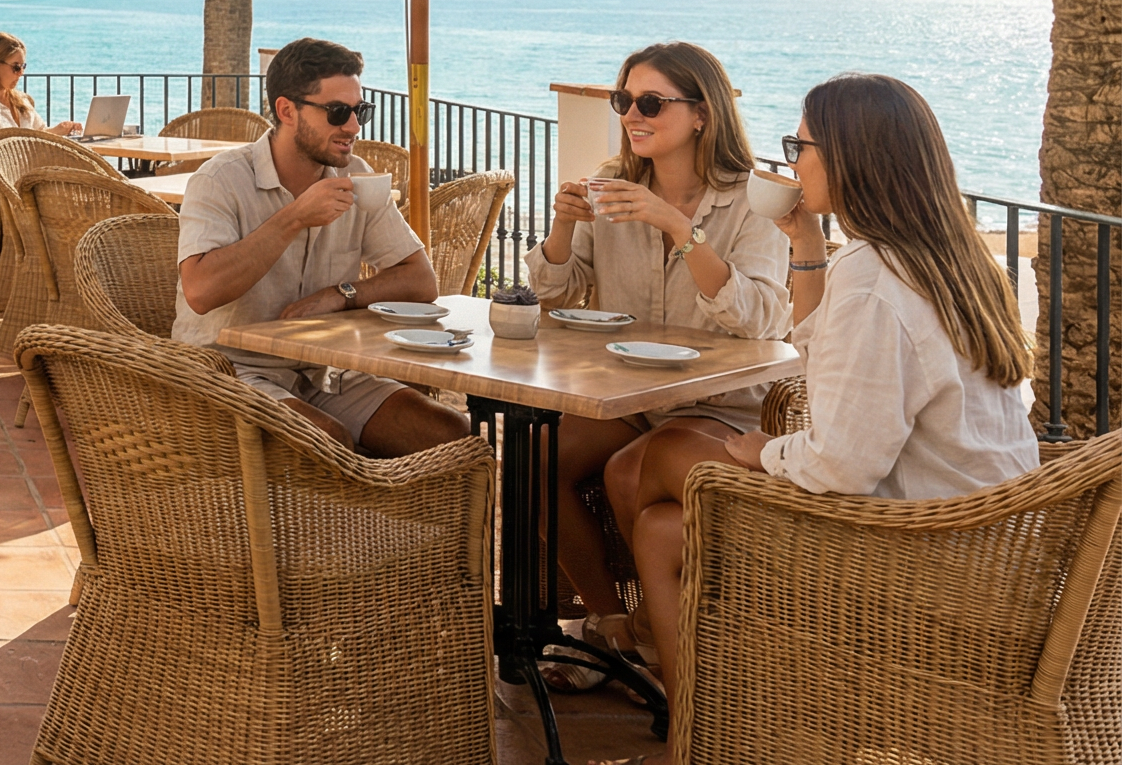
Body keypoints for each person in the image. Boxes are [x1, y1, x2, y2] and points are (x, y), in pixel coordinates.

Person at [616, 73, 1038, 701]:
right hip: (990, 539)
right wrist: (808, 246)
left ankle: (680, 703)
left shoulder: (874, 280)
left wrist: (761, 450)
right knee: (657, 513)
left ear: (850, 158)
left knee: (663, 464)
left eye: (800, 147)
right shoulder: (946, 255)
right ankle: (691, 697)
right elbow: (820, 356)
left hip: (921, 553)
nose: (791, 162)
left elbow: (843, 467)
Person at [523, 42, 790, 681]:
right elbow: (552, 293)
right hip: (631, 396)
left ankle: (662, 638)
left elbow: (762, 317)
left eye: (650, 102)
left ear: (702, 114)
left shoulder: (755, 201)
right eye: (624, 101)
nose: (631, 115)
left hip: (718, 404)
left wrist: (679, 227)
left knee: (623, 471)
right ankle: (612, 628)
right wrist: (561, 228)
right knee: (533, 457)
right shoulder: (614, 186)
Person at [173, 36, 470, 454]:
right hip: (226, 369)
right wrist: (294, 217)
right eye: (338, 112)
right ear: (286, 110)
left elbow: (420, 280)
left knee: (450, 434)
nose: (353, 126)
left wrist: (341, 295)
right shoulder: (219, 180)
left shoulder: (358, 177)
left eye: (360, 111)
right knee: (327, 441)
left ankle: (403, 521)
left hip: (323, 370)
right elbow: (201, 292)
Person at [0, 31, 82, 153]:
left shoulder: (20, 99)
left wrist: (59, 130)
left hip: (24, 170)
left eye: (23, 66)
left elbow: (39, 131)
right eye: (16, 67)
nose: (21, 73)